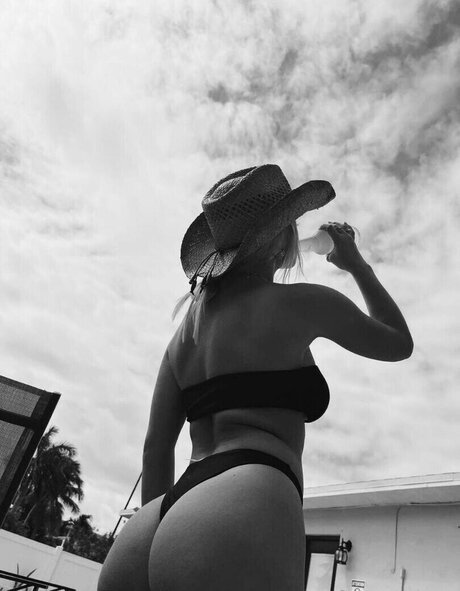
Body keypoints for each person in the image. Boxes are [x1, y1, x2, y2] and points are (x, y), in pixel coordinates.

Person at [97, 164, 413, 591]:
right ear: (279, 239)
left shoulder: (185, 334)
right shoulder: (301, 303)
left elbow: (156, 449)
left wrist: (167, 536)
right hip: (244, 500)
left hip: (153, 524)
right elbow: (398, 342)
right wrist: (356, 265)